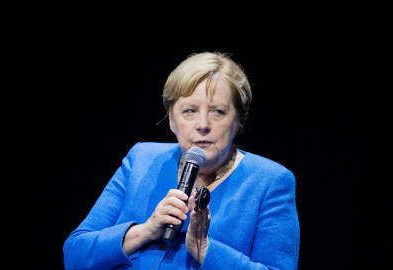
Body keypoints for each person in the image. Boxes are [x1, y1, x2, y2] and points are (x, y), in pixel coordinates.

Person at [63, 52, 300, 269]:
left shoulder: (270, 182)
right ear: (171, 120)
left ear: (238, 122)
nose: (203, 124)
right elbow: (75, 255)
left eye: (218, 111)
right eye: (190, 111)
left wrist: (205, 249)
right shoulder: (141, 159)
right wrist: (145, 231)